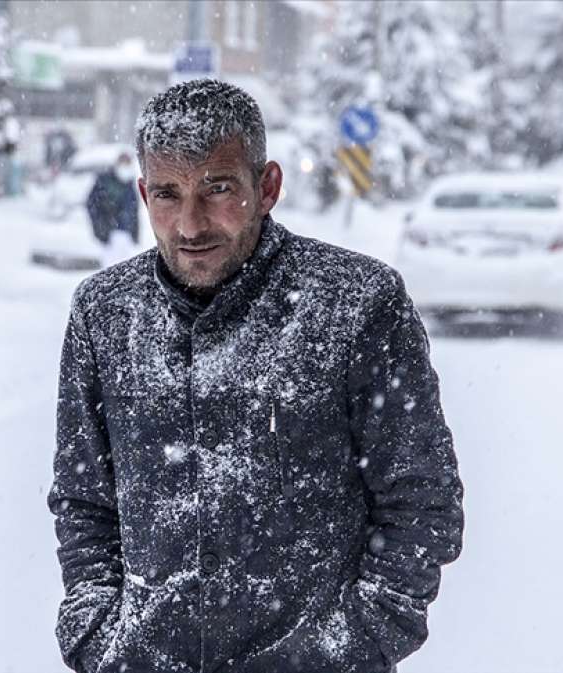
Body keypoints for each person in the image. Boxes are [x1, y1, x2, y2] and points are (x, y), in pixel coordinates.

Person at [49, 79, 464, 673]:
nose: (189, 225)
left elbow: (422, 504)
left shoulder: (357, 304)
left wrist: (347, 648)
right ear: (143, 193)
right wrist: (98, 638)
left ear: (267, 186)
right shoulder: (104, 312)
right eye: (168, 194)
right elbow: (83, 500)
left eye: (216, 189)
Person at [86, 152, 140, 267]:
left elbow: (134, 209)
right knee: (110, 268)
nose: (125, 168)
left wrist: (135, 234)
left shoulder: (129, 183)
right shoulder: (104, 181)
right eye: (123, 164)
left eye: (128, 165)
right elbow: (92, 204)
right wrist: (101, 228)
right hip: (109, 234)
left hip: (126, 234)